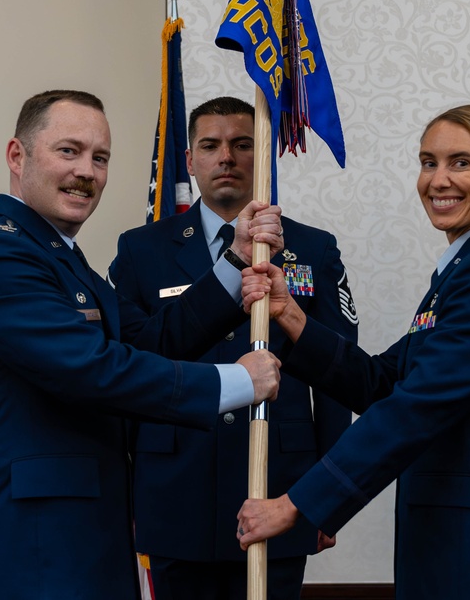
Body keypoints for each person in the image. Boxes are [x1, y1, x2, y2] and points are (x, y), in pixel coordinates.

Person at [0, 90, 286, 600]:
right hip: (30, 545)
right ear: (18, 156)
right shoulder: (0, 256)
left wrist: (232, 265)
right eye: (68, 151)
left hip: (86, 537)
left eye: (100, 158)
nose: (87, 172)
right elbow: (94, 369)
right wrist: (238, 381)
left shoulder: (62, 258)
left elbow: (147, 344)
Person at [236, 105, 470, 599]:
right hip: (449, 542)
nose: (438, 180)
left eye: (461, 162)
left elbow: (417, 406)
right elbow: (383, 382)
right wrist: (291, 316)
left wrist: (297, 504)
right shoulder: (465, 269)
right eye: (428, 162)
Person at [107, 96, 358, 600]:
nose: (227, 157)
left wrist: (328, 496)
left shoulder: (311, 249)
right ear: (190, 158)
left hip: (278, 486)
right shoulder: (141, 249)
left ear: (261, 154)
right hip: (175, 487)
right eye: (211, 145)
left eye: (242, 144)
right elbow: (125, 373)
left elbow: (337, 379)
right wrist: (128, 494)